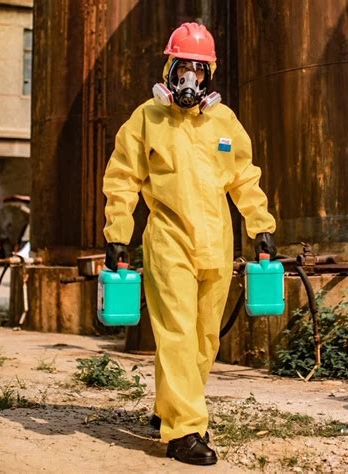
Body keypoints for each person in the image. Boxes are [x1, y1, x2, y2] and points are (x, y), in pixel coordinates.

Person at [103, 22, 277, 466]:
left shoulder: (224, 121)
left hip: (217, 243)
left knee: (203, 340)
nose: (189, 79)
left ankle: (169, 409)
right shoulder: (147, 118)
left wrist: (260, 226)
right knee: (176, 333)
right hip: (169, 240)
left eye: (199, 71)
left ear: (210, 75)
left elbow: (244, 177)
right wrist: (118, 235)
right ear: (169, 67)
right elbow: (123, 178)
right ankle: (185, 430)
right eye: (183, 68)